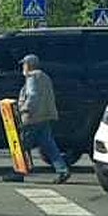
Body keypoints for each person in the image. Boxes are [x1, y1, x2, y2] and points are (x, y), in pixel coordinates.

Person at [17, 54, 70, 183]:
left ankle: (18, 172)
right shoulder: (45, 77)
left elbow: (33, 96)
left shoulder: (32, 77)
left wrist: (24, 109)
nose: (23, 67)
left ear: (29, 65)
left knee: (21, 145)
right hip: (44, 116)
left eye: (24, 64)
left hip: (33, 117)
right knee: (49, 146)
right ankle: (62, 170)